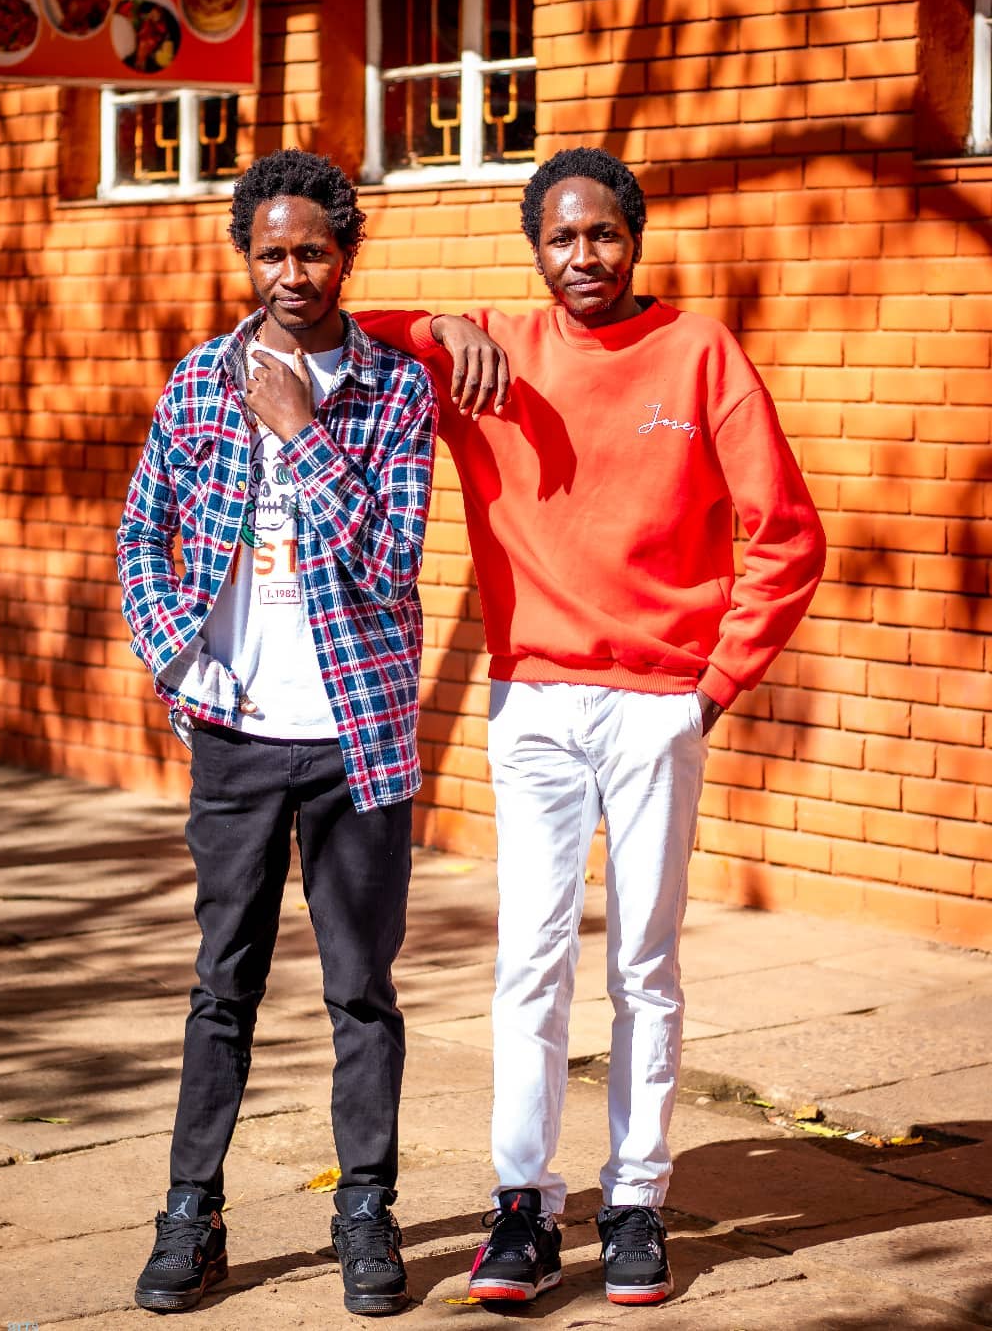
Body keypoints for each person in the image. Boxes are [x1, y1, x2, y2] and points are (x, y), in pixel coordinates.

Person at [358, 146, 826, 1307]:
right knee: (530, 961)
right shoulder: (490, 351)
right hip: (533, 703)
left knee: (643, 966)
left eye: (604, 233)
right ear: (535, 249)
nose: (584, 256)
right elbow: (322, 322)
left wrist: (712, 687)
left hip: (660, 705)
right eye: (562, 237)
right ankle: (521, 1206)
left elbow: (786, 535)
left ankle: (637, 1202)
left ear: (634, 239)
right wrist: (438, 323)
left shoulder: (701, 353)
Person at [117, 149, 436, 1317]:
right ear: (245, 257)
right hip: (237, 736)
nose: (291, 274)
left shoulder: (396, 393)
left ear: (346, 255)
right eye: (271, 253)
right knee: (223, 984)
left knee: (361, 991)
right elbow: (139, 532)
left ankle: (365, 1211)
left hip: (357, 739)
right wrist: (174, 652)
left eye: (312, 252)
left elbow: (389, 562)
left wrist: (301, 430)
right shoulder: (200, 380)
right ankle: (190, 1215)